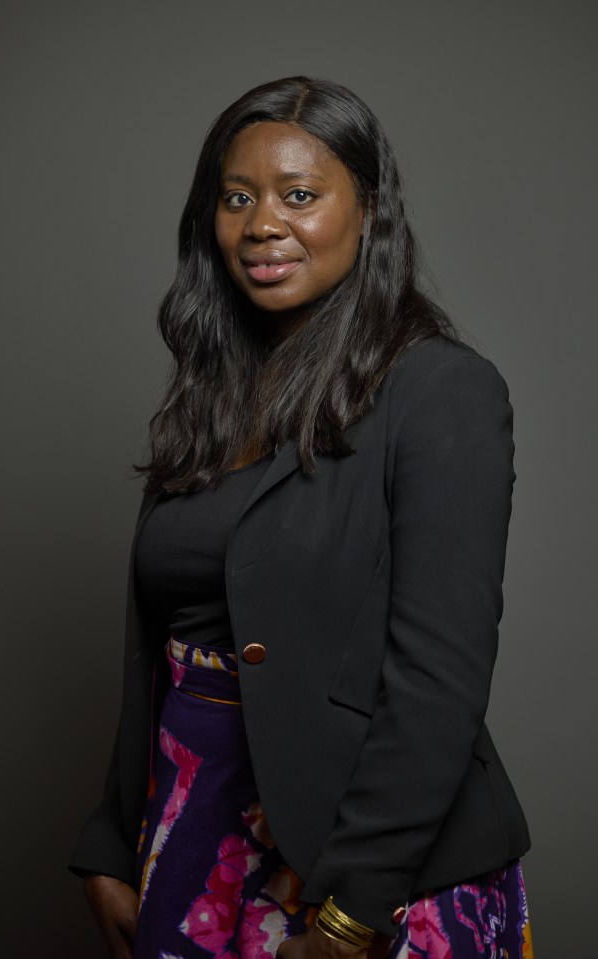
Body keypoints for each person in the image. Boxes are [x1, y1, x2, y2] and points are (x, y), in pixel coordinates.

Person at [70, 76, 534, 959]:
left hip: (371, 873)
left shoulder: (442, 392)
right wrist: (109, 837)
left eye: (300, 195)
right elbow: (162, 647)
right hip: (190, 841)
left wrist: (351, 915)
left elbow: (438, 679)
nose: (261, 225)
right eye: (236, 198)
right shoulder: (213, 397)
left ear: (370, 212)